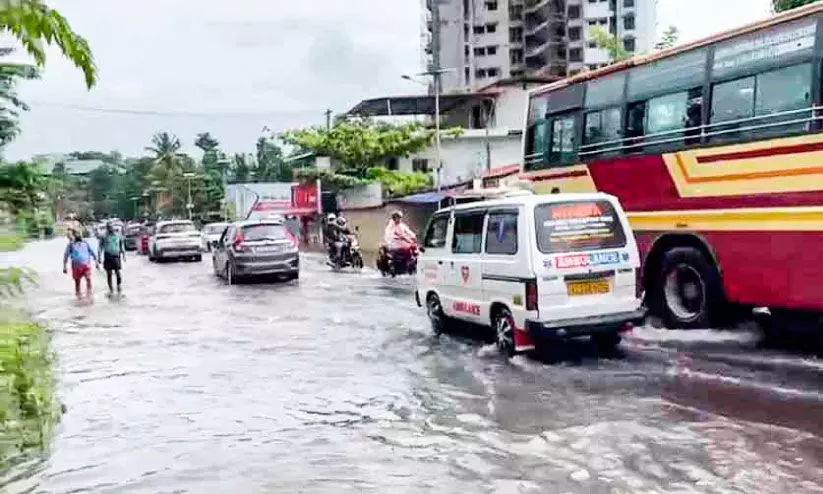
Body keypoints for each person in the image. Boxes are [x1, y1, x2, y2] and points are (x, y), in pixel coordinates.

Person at [63, 228, 99, 298]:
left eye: (79, 234)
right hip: (76, 266)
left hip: (86, 265)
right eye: (76, 234)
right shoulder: (71, 245)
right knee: (77, 282)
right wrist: (64, 267)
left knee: (88, 279)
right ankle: (78, 297)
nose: (78, 235)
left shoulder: (85, 243)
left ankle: (89, 295)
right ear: (74, 235)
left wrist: (96, 262)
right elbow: (66, 256)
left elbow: (92, 253)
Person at [99, 222, 126, 294]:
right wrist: (99, 257)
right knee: (109, 274)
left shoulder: (118, 235)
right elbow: (100, 247)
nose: (110, 228)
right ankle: (111, 289)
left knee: (118, 273)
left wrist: (124, 255)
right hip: (108, 256)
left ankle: (119, 285)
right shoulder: (104, 236)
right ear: (107, 228)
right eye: (109, 227)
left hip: (116, 256)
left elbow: (121, 245)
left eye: (111, 227)